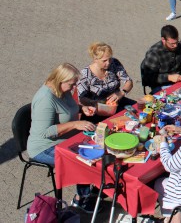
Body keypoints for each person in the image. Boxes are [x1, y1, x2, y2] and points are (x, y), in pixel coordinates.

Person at [28, 63, 97, 212]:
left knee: (96, 147)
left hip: (65, 139)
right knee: (82, 161)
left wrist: (81, 108)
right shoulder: (45, 99)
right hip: (44, 147)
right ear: (61, 80)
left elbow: (68, 107)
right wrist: (74, 124)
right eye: (71, 85)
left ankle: (94, 187)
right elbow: (45, 133)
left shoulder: (62, 90)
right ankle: (81, 199)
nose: (73, 88)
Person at [77, 42, 135, 112]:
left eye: (109, 59)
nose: (108, 63)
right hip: (97, 108)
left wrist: (122, 92)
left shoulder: (114, 63)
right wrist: (99, 104)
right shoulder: (85, 75)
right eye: (104, 61)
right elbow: (82, 98)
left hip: (117, 102)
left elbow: (128, 81)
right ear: (95, 59)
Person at [141, 25, 181, 92]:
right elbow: (148, 78)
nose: (175, 45)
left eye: (177, 42)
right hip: (161, 86)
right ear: (163, 40)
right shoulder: (154, 53)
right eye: (172, 44)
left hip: (179, 81)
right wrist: (169, 77)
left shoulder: (178, 46)